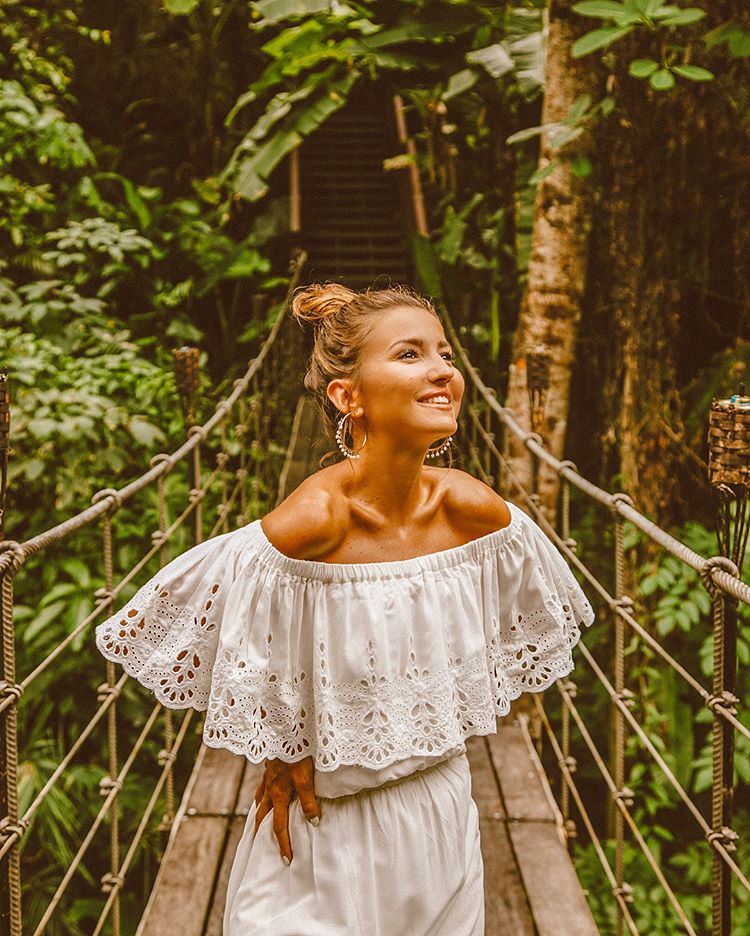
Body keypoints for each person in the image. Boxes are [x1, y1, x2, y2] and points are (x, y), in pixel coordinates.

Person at [95, 282, 595, 935]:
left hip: (444, 816)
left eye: (443, 353)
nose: (443, 369)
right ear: (346, 396)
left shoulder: (474, 513)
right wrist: (280, 744)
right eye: (410, 354)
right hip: (325, 837)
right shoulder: (311, 522)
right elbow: (205, 622)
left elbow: (512, 625)